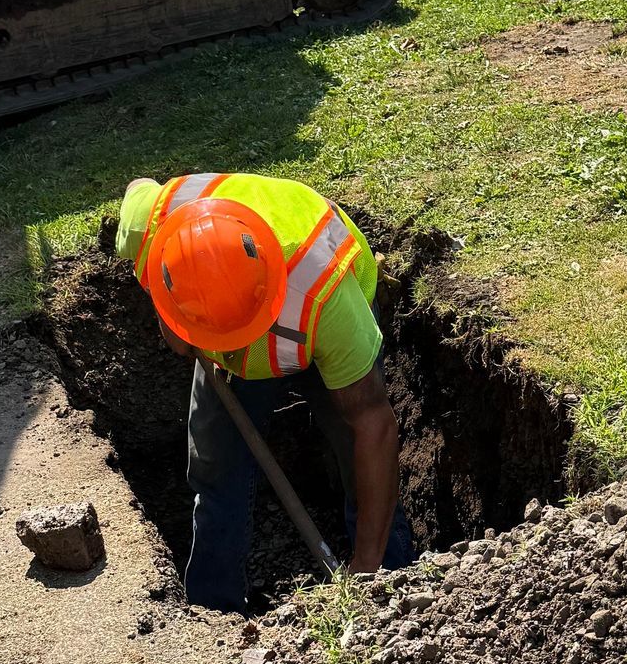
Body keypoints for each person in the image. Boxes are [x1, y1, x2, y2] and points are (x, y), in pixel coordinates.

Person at [118, 171, 416, 612]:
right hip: (239, 326)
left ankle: (388, 582)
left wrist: (366, 565)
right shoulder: (154, 222)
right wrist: (171, 313)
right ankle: (213, 611)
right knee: (217, 467)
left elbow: (375, 426)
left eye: (234, 334)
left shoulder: (325, 300)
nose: (229, 345)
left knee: (358, 452)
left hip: (316, 317)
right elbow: (136, 189)